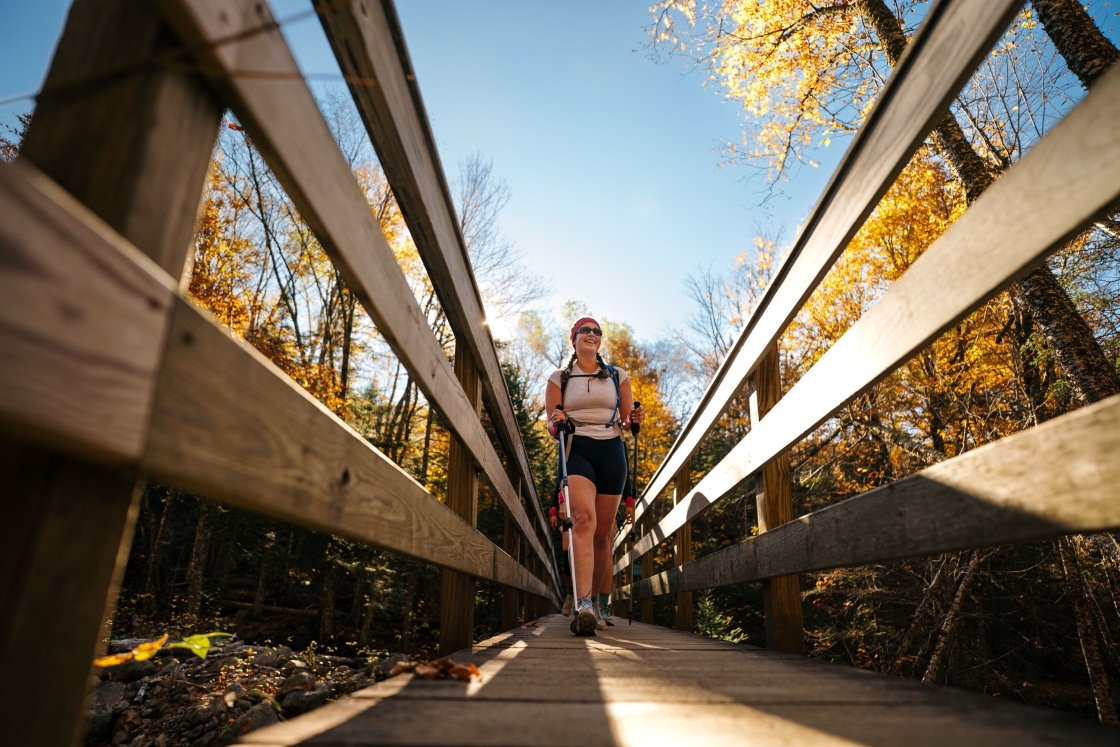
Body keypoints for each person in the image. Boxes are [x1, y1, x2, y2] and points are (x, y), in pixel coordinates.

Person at [547, 317, 643, 635]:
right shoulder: (559, 378)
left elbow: (628, 422)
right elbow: (552, 425)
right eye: (585, 330)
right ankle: (583, 604)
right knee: (583, 520)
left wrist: (634, 418)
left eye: (596, 331)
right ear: (573, 339)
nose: (591, 334)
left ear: (600, 341)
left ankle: (600, 602)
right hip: (576, 449)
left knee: (603, 534)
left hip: (611, 451)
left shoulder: (617, 376)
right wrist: (557, 420)